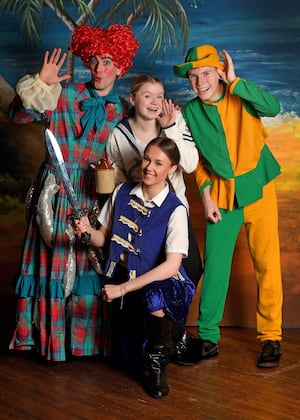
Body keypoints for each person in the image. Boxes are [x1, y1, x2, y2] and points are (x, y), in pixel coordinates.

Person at [8, 24, 139, 362]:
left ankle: (84, 345)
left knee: (87, 268)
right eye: (93, 60)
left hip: (93, 196)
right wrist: (41, 83)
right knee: (50, 267)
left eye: (108, 61)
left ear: (121, 67)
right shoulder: (62, 94)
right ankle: (46, 342)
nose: (99, 68)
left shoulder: (124, 110)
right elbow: (18, 117)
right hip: (53, 194)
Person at [173, 44, 283, 368]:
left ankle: (271, 338)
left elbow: (274, 107)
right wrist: (206, 194)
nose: (199, 82)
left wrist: (236, 82)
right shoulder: (190, 112)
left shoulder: (240, 93)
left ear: (219, 72)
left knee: (267, 265)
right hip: (221, 197)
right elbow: (200, 163)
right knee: (216, 269)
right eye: (193, 76)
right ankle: (208, 339)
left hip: (259, 188)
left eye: (206, 73)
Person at [73, 136, 196, 398]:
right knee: (128, 361)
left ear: (172, 170)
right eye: (147, 159)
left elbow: (172, 266)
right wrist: (85, 232)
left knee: (155, 296)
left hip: (163, 281)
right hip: (124, 275)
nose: (149, 167)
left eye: (159, 163)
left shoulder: (175, 209)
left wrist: (123, 289)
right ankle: (165, 344)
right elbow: (103, 238)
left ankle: (159, 366)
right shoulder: (122, 191)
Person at [106, 74, 203, 363]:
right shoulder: (120, 135)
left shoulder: (175, 122)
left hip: (174, 213)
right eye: (147, 95)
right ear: (132, 98)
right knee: (148, 276)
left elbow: (190, 163)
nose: (155, 102)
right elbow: (119, 181)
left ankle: (172, 337)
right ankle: (156, 344)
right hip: (141, 220)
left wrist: (171, 128)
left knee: (190, 269)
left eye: (159, 96)